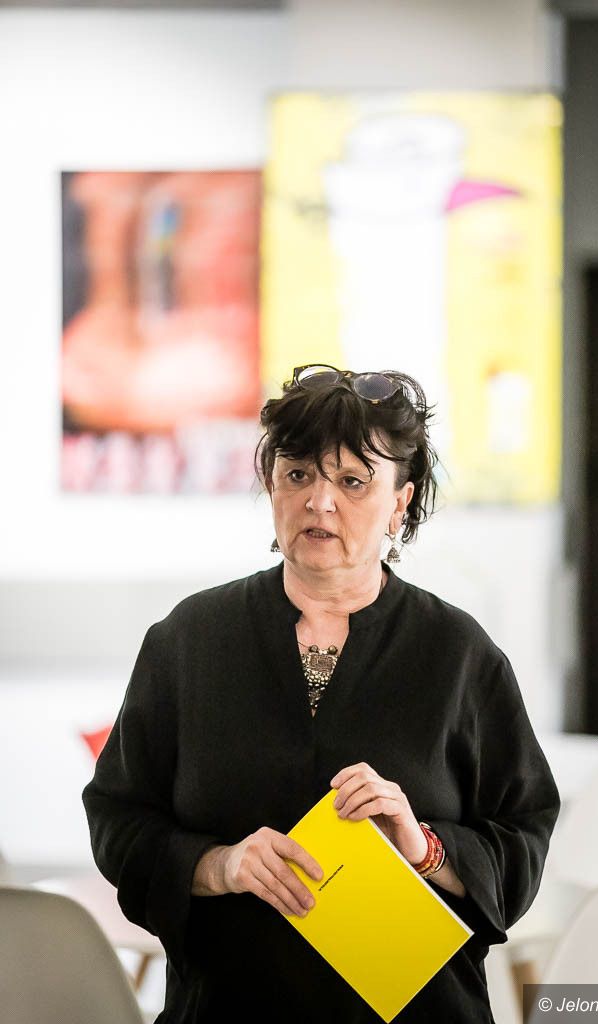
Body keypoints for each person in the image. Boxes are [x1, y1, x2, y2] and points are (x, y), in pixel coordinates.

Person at [82, 363, 560, 1023]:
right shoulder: (188, 640)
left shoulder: (458, 654)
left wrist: (423, 847)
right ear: (270, 483)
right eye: (298, 474)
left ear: (400, 502)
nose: (320, 501)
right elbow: (118, 819)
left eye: (352, 481)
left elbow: (523, 835)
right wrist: (219, 866)